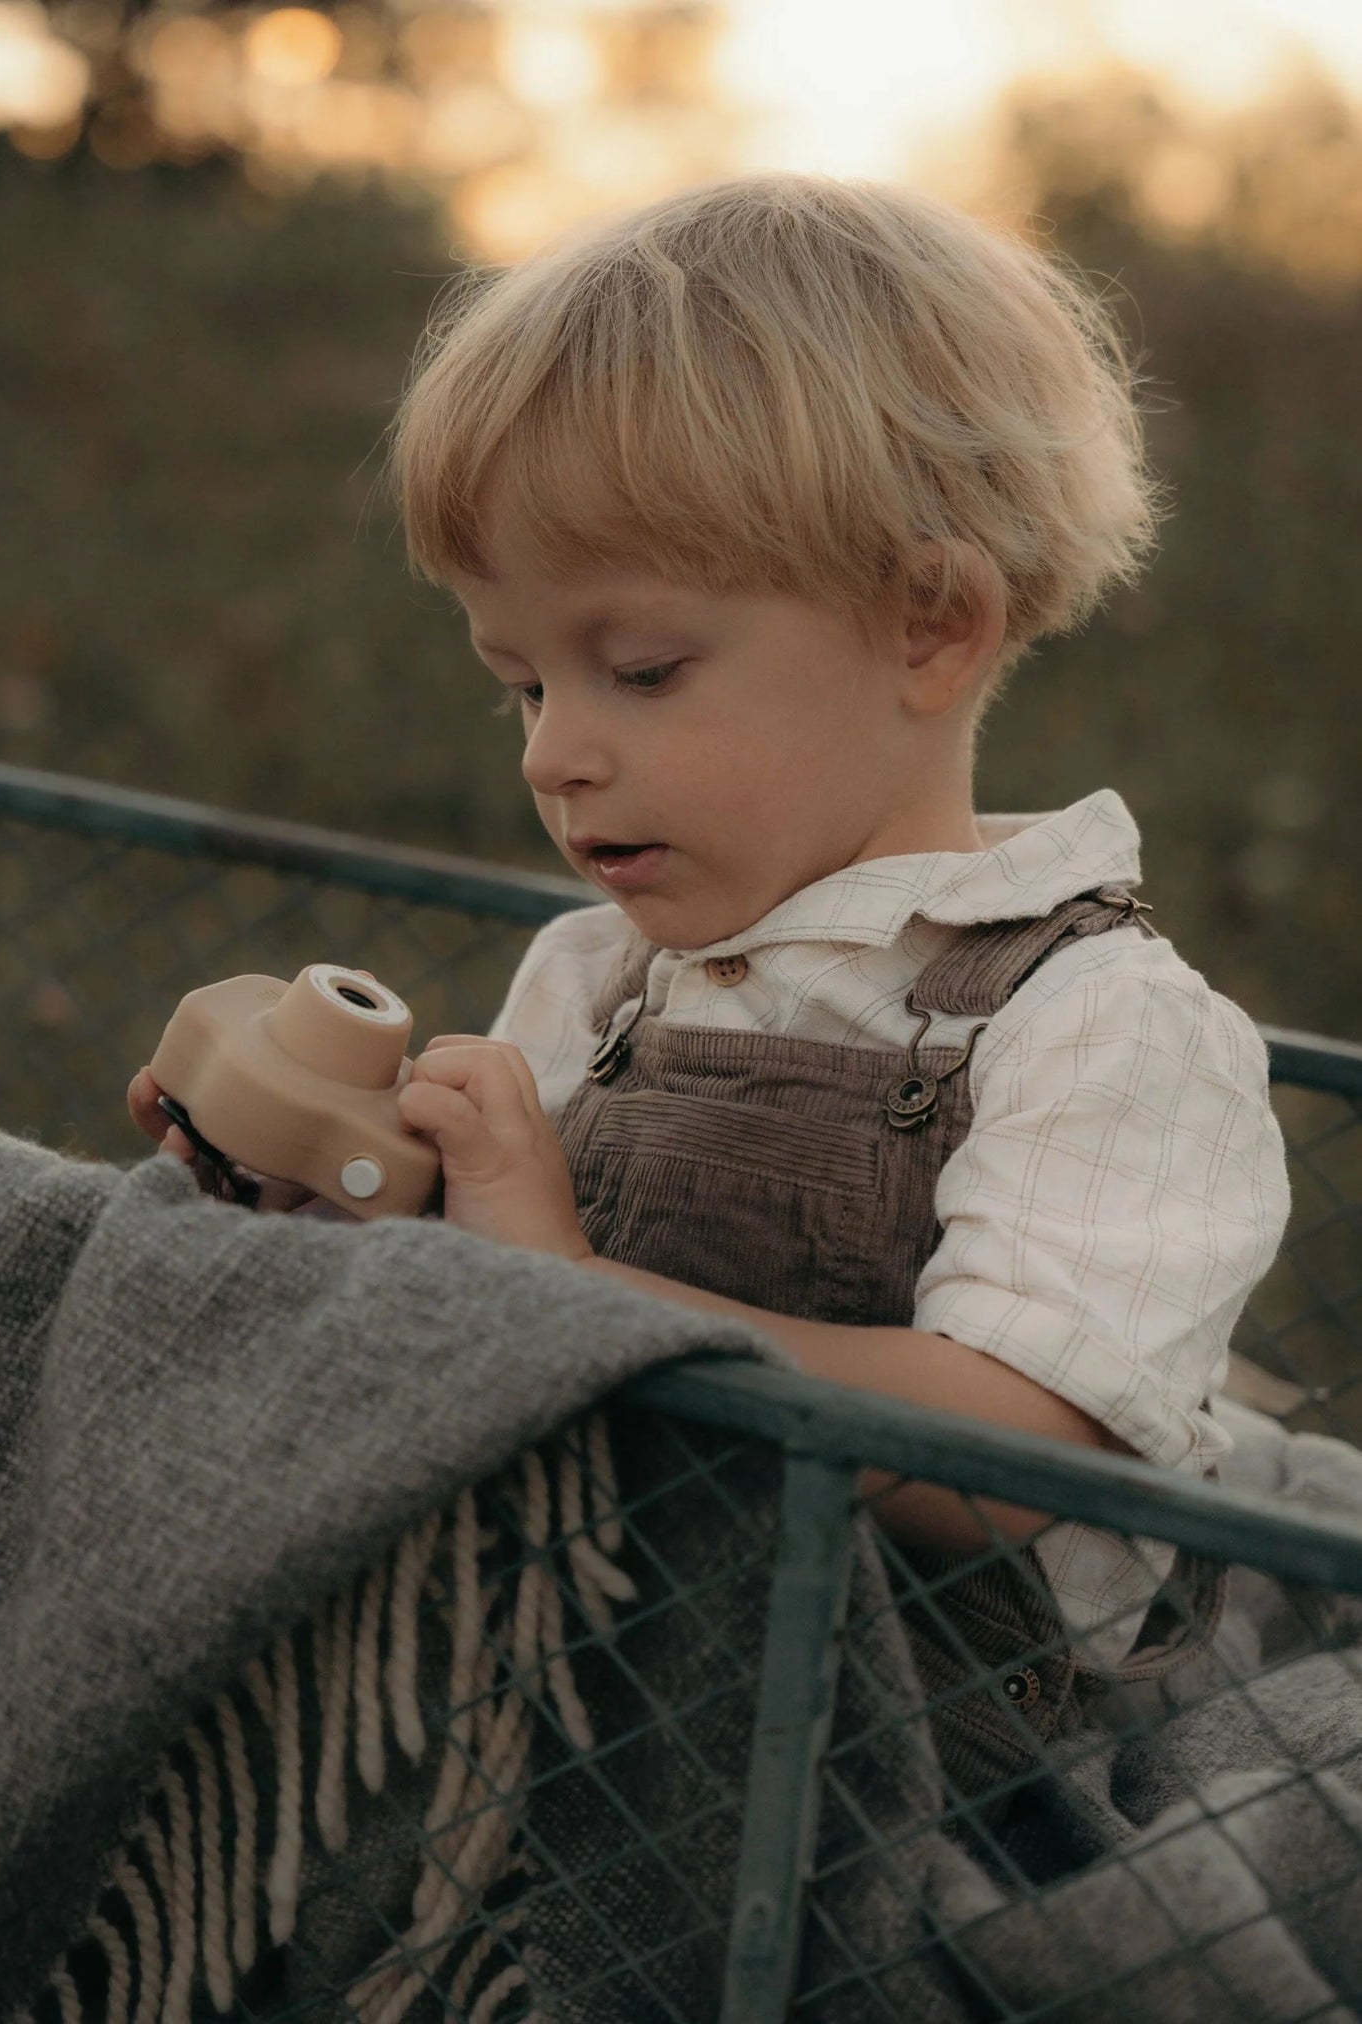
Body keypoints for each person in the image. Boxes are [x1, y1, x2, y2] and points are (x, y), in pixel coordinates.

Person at [132, 173, 1290, 1705]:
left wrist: (572, 1302)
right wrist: (330, 1198)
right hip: (578, 1679)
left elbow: (1022, 1456)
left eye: (642, 670)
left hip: (906, 1761)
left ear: (929, 626)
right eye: (523, 684)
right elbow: (475, 1304)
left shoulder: (1095, 1028)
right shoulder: (592, 974)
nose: (552, 756)